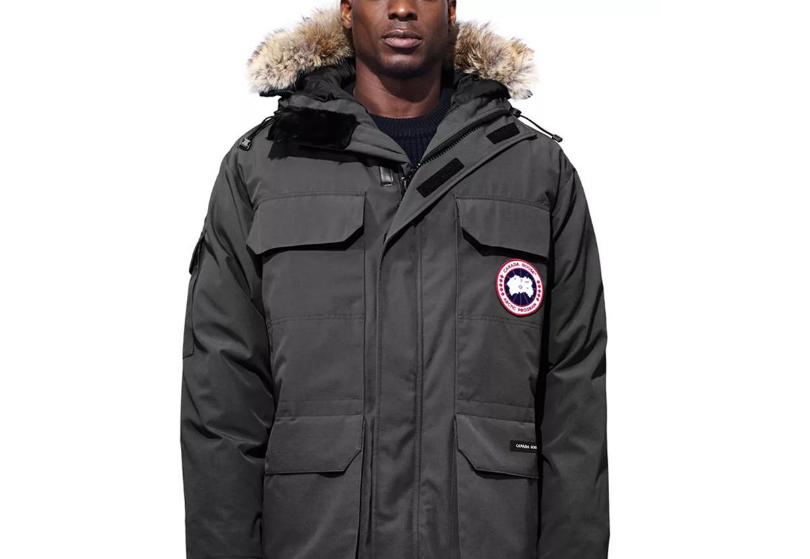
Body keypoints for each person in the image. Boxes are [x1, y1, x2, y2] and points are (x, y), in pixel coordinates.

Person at [180, 2, 610, 559]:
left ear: (451, 8)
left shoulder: (532, 171)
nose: (402, 6)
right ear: (346, 8)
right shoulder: (265, 166)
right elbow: (222, 400)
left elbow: (575, 401)